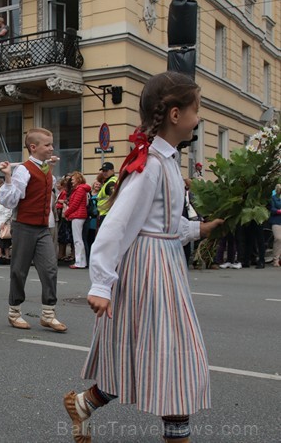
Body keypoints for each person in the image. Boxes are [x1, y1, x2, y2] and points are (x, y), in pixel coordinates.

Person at [63, 72, 224, 443]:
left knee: (153, 358)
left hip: (165, 264)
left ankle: (86, 404)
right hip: (150, 270)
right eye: (195, 109)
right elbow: (116, 226)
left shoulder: (167, 161)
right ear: (174, 114)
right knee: (174, 360)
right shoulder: (150, 165)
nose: (199, 118)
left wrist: (199, 229)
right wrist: (101, 283)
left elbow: (165, 225)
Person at [0, 128, 67, 333]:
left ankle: (48, 314)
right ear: (33, 147)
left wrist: (50, 168)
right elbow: (10, 200)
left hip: (43, 228)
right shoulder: (23, 170)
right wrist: (8, 178)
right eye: (47, 145)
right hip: (24, 227)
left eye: (51, 144)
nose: (52, 148)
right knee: (19, 271)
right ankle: (14, 312)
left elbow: (45, 190)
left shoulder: (45, 169)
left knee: (50, 269)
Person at [63, 171, 90, 269]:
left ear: (78, 180)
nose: (72, 181)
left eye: (73, 179)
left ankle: (79, 262)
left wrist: (66, 213)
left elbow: (74, 205)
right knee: (79, 240)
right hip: (79, 215)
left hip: (77, 216)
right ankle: (81, 261)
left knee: (77, 240)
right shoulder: (82, 189)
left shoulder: (79, 190)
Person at [96, 162, 117, 229]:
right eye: (103, 171)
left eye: (106, 170)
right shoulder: (108, 181)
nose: (104, 172)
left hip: (107, 214)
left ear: (112, 171)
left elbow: (114, 199)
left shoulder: (111, 183)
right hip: (105, 214)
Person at [0, 199, 12, 265]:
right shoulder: (0, 203)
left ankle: (0, 257)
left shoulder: (8, 204)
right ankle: (6, 258)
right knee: (4, 241)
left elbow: (9, 213)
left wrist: (3, 222)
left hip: (3, 224)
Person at [270, 184, 281, 267]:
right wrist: (279, 211)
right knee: (278, 238)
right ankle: (275, 259)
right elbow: (272, 209)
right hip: (276, 221)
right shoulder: (273, 198)